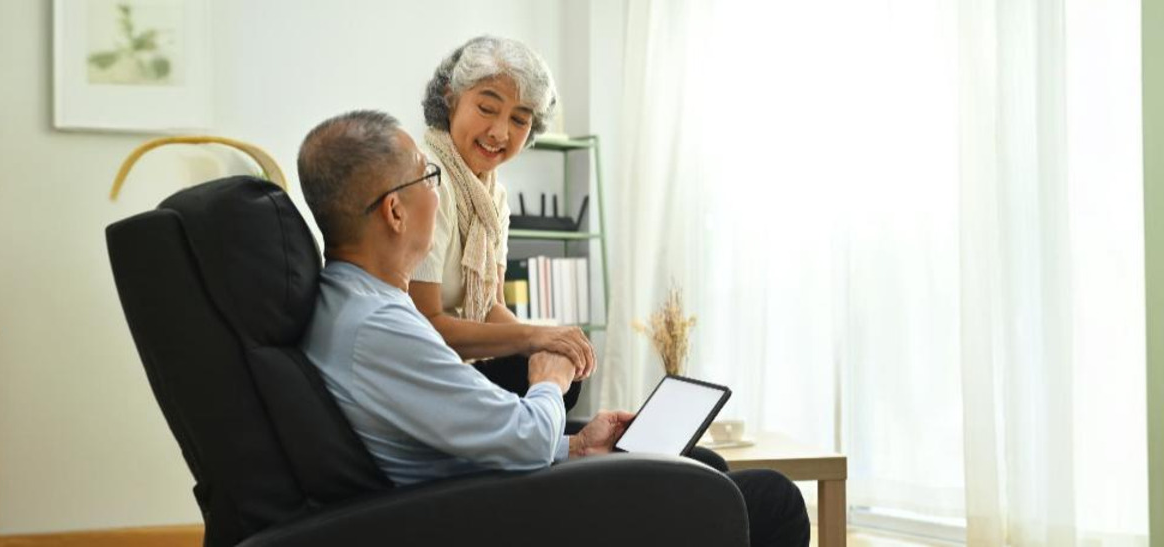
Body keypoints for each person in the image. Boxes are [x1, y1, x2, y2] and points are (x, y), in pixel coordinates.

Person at [296, 110, 809, 547]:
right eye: (429, 176)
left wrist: (580, 445)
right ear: (394, 212)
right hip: (503, 513)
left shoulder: (353, 303)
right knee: (773, 498)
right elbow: (523, 441)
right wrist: (548, 377)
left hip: (488, 490)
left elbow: (481, 432)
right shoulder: (379, 327)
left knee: (702, 464)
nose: (439, 189)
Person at [410, 36, 594, 409]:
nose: (499, 132)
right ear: (450, 98)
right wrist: (533, 338)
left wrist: (547, 344)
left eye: (519, 119)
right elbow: (426, 323)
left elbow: (491, 307)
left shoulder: (494, 197)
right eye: (486, 108)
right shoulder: (426, 179)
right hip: (423, 370)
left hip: (463, 363)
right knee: (543, 373)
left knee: (565, 376)